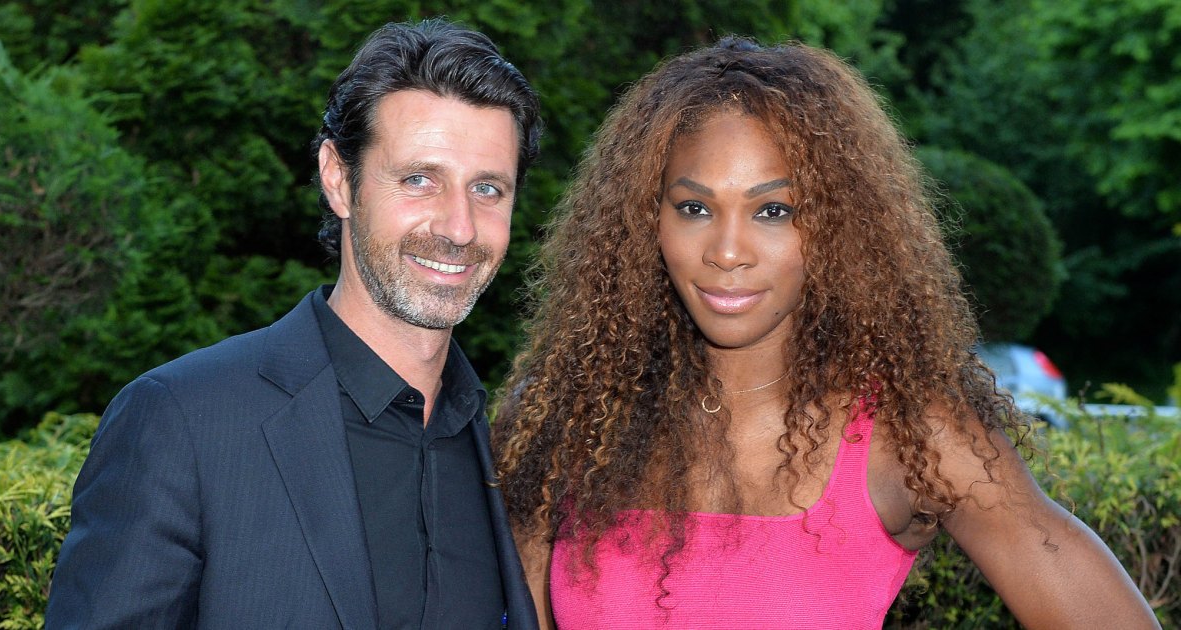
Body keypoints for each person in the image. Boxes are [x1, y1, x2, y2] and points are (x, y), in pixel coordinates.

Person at [491, 38, 1159, 629]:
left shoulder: (911, 433)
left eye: (774, 211)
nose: (728, 251)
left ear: (838, 228)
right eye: (694, 207)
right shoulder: (572, 420)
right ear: (647, 221)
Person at [46, 19, 541, 629]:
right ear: (338, 178)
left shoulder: (504, 448)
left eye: (488, 189)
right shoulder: (182, 421)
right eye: (419, 179)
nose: (459, 227)